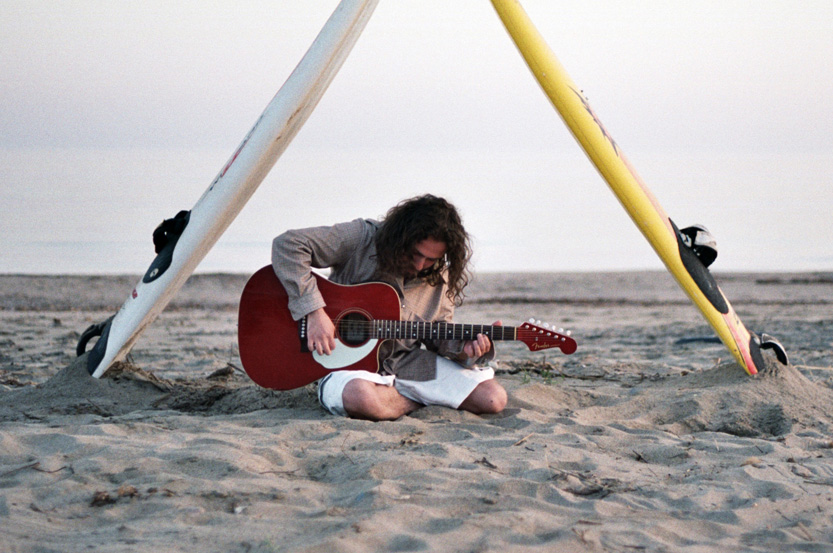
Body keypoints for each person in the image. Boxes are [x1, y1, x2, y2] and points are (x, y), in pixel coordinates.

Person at [272, 194, 507, 421]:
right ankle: (420, 399)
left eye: (431, 260)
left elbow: (439, 332)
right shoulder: (361, 238)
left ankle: (394, 401)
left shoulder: (441, 277)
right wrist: (313, 312)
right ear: (401, 236)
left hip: (405, 362)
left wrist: (464, 349)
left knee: (492, 399)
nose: (420, 265)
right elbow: (288, 245)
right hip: (344, 364)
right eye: (415, 254)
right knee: (362, 397)